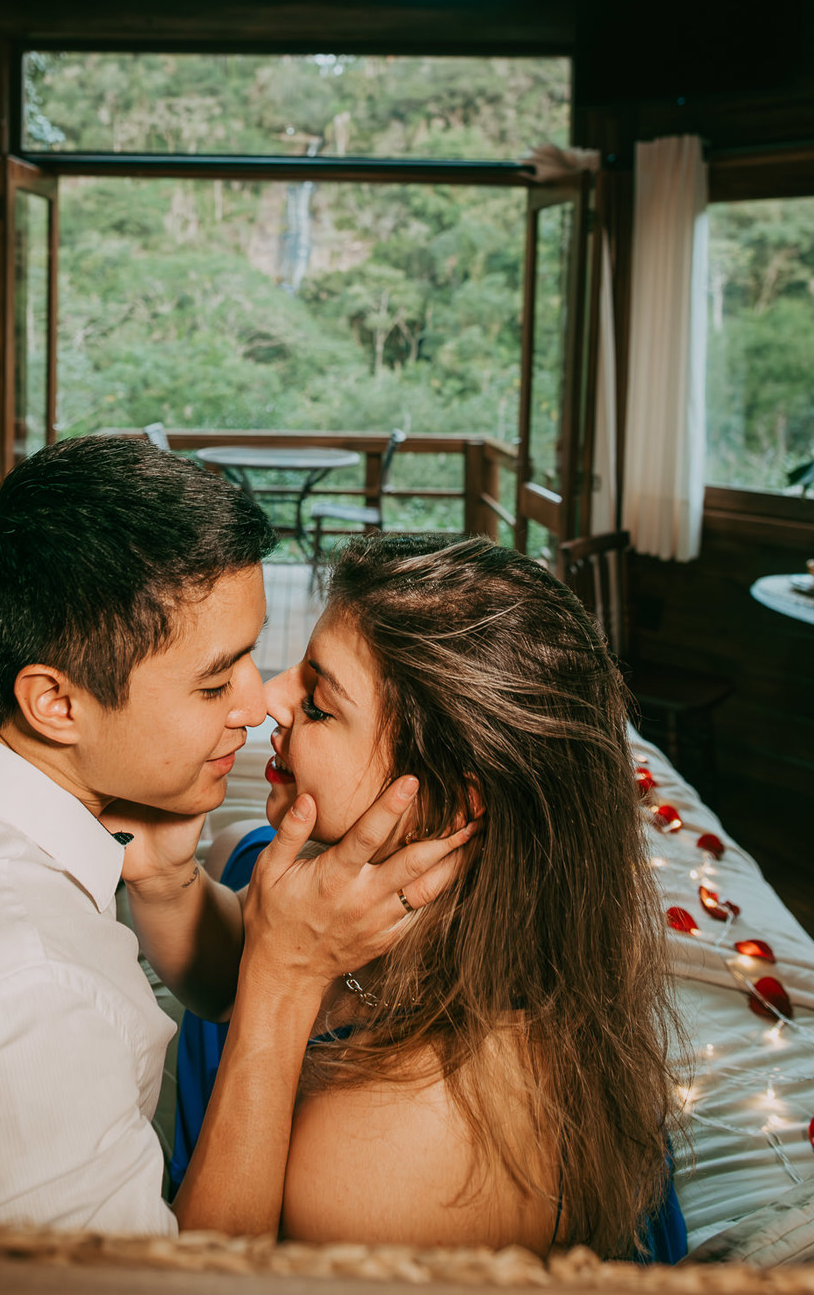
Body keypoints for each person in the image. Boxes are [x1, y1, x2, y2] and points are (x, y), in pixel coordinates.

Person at [0, 438, 464, 1232]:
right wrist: (285, 983)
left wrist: (167, 883)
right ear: (56, 705)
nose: (257, 701)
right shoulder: (20, 1012)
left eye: (253, 654)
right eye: (212, 681)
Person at [133, 534, 687, 1260]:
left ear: (454, 807)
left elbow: (194, 1284)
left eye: (321, 702)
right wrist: (166, 879)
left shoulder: (386, 1160)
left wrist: (281, 982)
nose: (268, 698)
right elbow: (228, 977)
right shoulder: (388, 905)